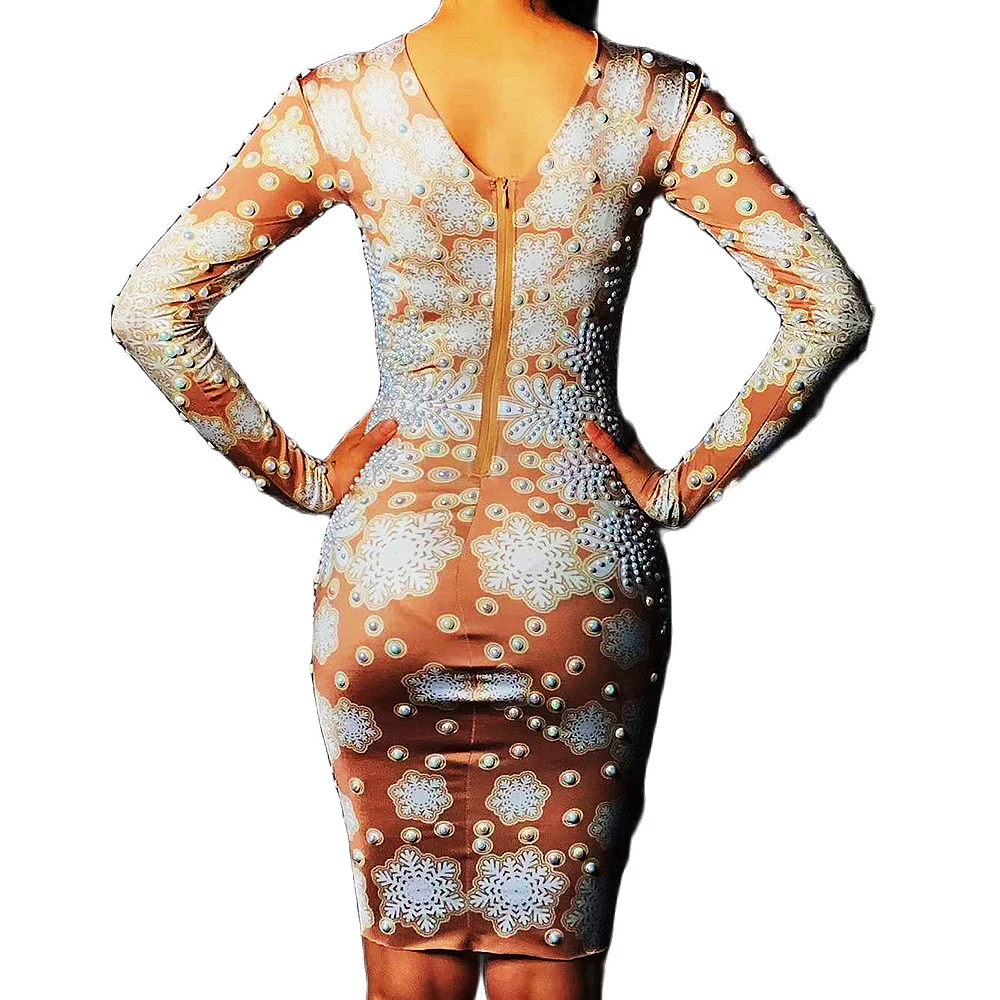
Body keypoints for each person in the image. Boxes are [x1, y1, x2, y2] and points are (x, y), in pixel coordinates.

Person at [109, 2, 873, 997]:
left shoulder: (343, 103)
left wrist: (300, 473)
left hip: (389, 579)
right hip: (580, 578)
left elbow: (151, 308)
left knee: (407, 960)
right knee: (545, 964)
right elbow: (828, 307)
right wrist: (682, 485)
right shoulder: (653, 101)